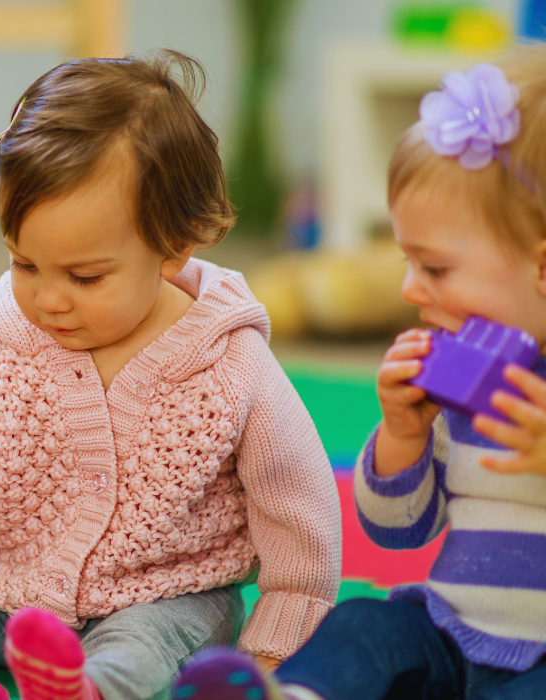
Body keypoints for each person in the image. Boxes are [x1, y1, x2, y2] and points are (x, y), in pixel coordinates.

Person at [0, 51, 341, 700]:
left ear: (175, 247)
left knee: (157, 641)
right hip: (1, 588)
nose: (49, 299)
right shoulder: (0, 346)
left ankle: (88, 689)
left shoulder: (231, 363)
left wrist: (283, 641)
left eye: (84, 277)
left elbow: (296, 508)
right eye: (25, 264)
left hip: (161, 595)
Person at [171, 45, 546, 700]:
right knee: (365, 623)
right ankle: (299, 694)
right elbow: (400, 531)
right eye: (406, 261)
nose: (409, 288)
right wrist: (403, 437)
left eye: (434, 268)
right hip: (451, 631)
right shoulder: (462, 385)